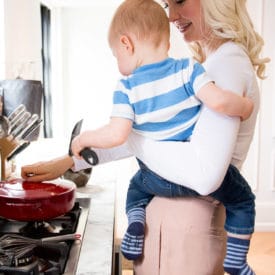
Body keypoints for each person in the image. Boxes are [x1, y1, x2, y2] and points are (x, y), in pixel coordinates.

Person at [21, 0, 269, 274]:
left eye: (179, 1)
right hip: (178, 233)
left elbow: (205, 175)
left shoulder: (227, 64)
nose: (172, 15)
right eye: (167, 4)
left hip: (182, 236)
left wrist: (127, 134)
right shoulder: (203, 65)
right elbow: (165, 140)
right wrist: (69, 162)